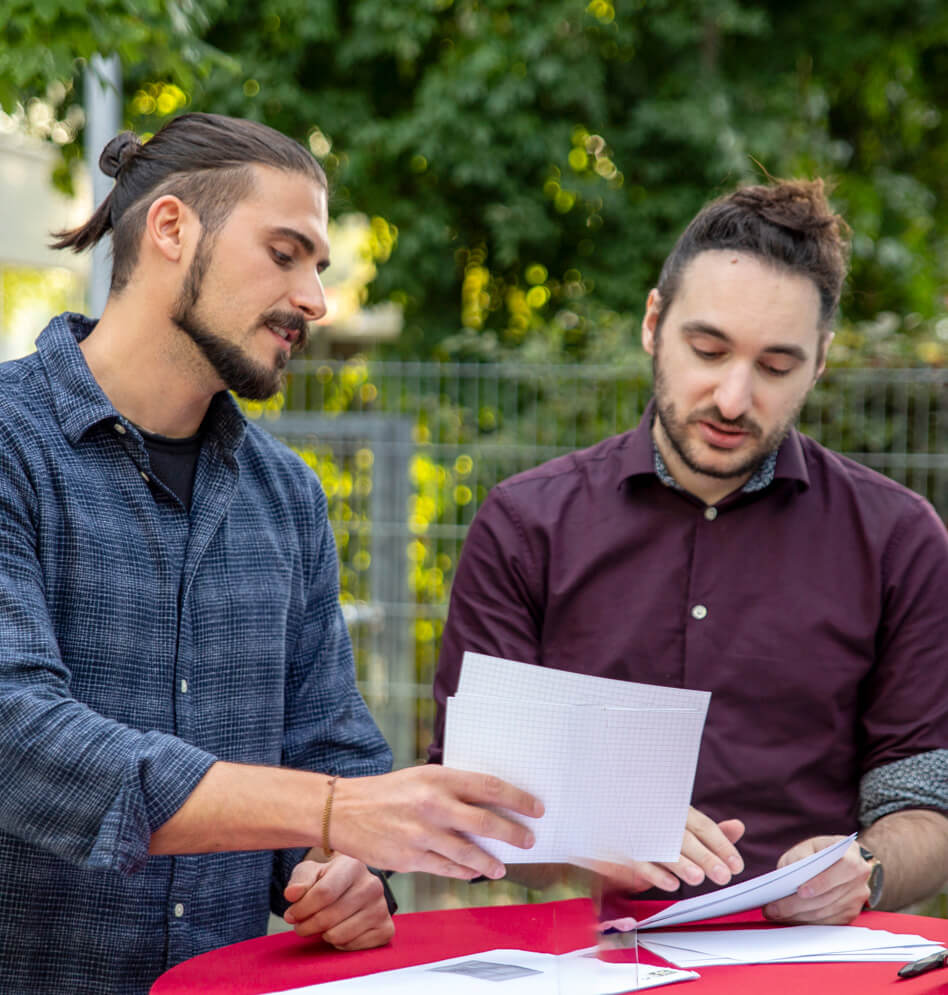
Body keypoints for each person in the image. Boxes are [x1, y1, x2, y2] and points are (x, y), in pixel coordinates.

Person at [0, 112, 543, 995]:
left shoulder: (287, 496)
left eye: (317, 267)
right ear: (171, 228)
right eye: (285, 252)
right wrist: (333, 809)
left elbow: (331, 744)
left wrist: (346, 868)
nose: (314, 301)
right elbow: (18, 738)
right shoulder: (11, 442)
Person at [429, 178, 948, 925]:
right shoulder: (525, 526)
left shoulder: (898, 539)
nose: (733, 399)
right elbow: (461, 800)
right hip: (586, 960)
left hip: (805, 969)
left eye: (775, 367)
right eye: (708, 349)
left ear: (821, 361)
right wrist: (591, 834)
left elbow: (926, 804)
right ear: (653, 323)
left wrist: (866, 866)